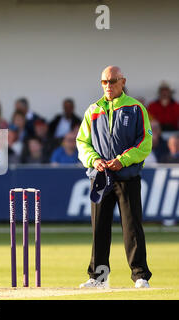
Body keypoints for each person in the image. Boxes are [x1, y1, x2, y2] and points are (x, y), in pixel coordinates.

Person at [76, 66, 153, 289]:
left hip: (127, 176)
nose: (107, 86)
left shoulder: (136, 108)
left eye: (112, 81)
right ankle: (98, 277)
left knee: (132, 227)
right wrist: (94, 160)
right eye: (104, 82)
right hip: (100, 177)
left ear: (122, 82)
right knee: (99, 227)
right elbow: (82, 142)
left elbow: (145, 143)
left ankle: (140, 276)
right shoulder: (93, 110)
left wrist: (123, 159)